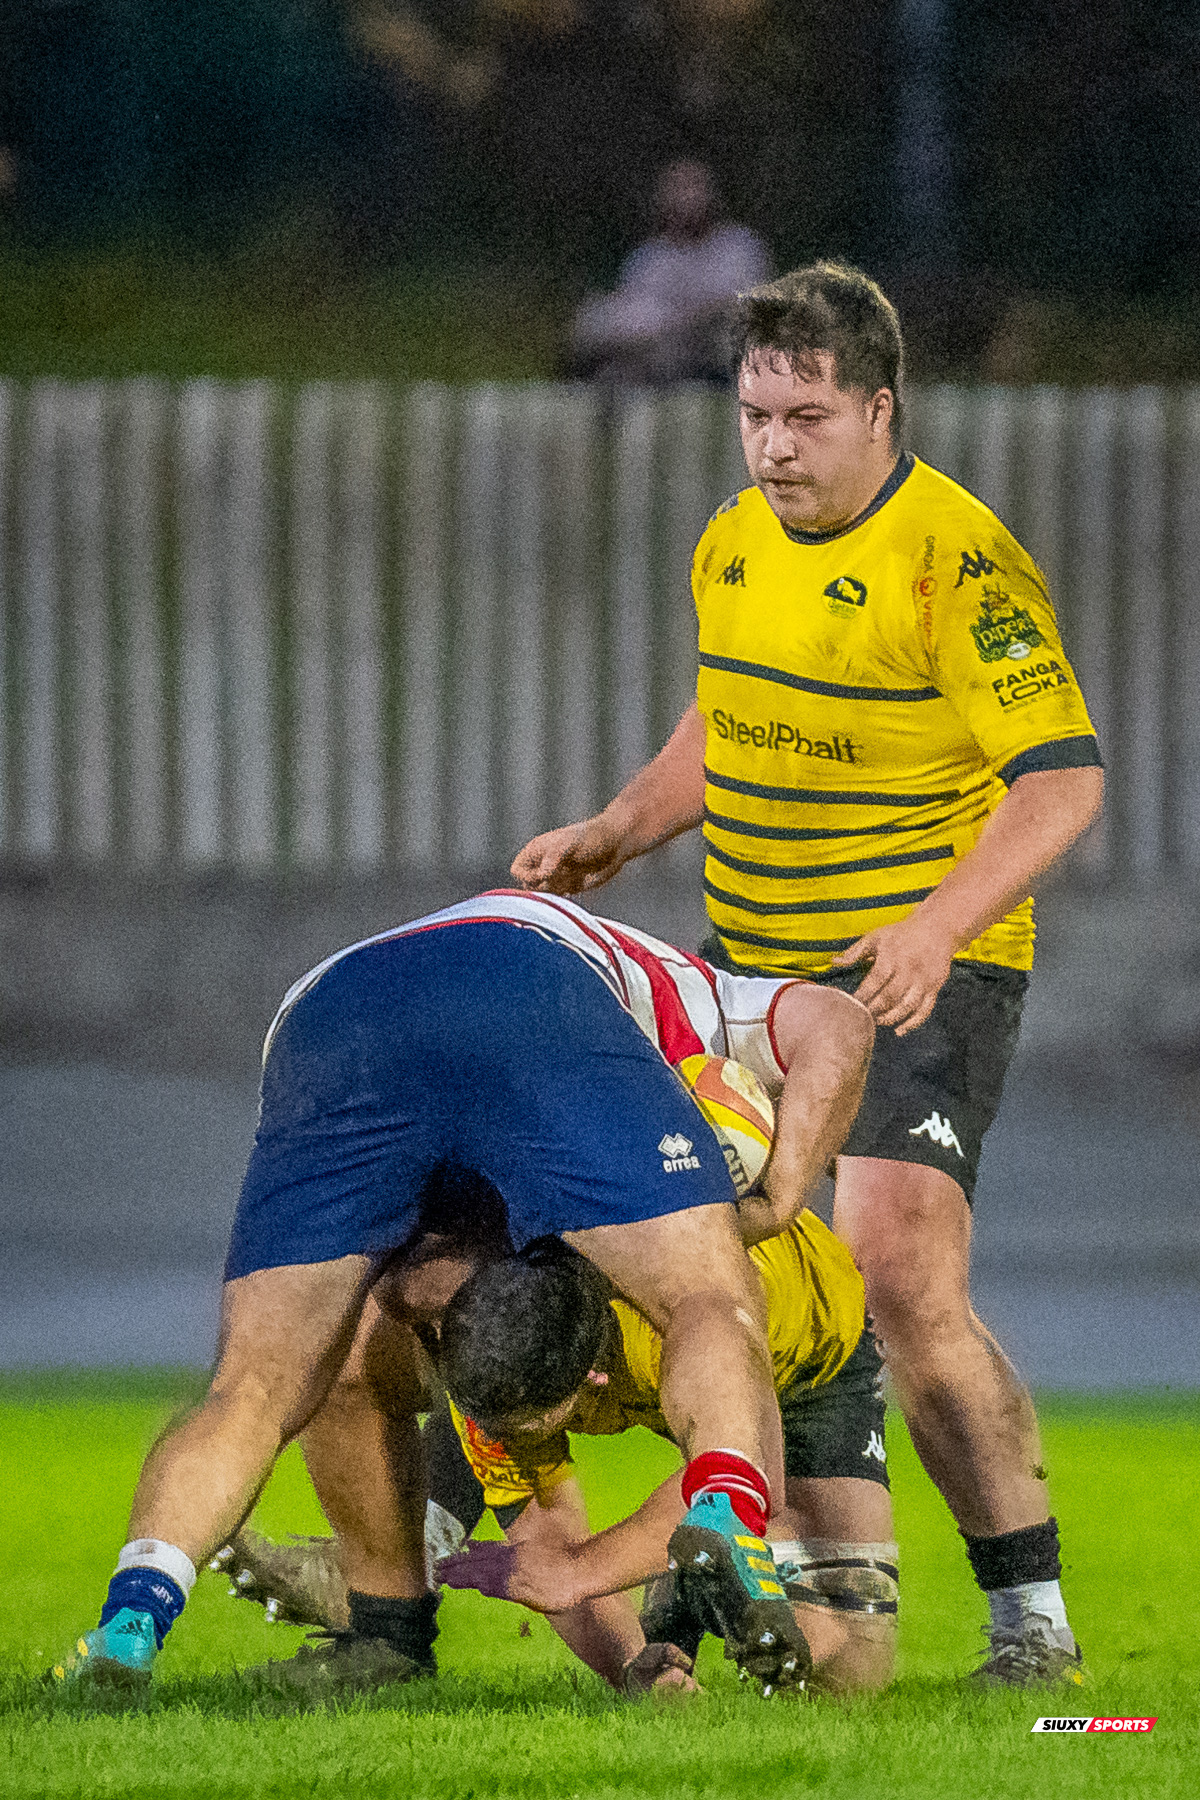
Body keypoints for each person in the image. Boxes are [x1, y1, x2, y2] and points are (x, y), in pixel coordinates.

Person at [512, 262, 1105, 1687]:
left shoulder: (955, 562)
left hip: (910, 977)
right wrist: (617, 829)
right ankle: (763, 1585)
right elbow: (728, 720)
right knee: (712, 1267)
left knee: (898, 1277)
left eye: (806, 416)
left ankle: (1033, 1628)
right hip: (747, 981)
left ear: (880, 410)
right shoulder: (732, 541)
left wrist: (938, 926)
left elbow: (1064, 782)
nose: (774, 445)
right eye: (754, 413)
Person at [50, 889, 872, 1695]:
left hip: (331, 1015)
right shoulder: (697, 1001)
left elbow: (416, 1282)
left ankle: (132, 1624)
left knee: (258, 1384)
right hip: (524, 984)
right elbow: (841, 1023)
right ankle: (726, 1509)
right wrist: (782, 1193)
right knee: (708, 1302)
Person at [218, 1226, 896, 1699]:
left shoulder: (683, 1339)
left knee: (845, 1671)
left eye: (522, 1427)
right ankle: (674, 1612)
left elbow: (751, 1479)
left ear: (592, 1383)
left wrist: (585, 1570)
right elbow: (544, 1554)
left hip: (812, 1363)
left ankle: (688, 1587)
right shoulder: (493, 1351)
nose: (491, 1435)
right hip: (628, 1374)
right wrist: (633, 1671)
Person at [571, 159, 770, 385]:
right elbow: (630, 308)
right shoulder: (650, 258)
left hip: (710, 347)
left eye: (692, 187)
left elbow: (741, 304)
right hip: (657, 348)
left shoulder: (737, 246)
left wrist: (678, 322)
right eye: (677, 188)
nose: (686, 198)